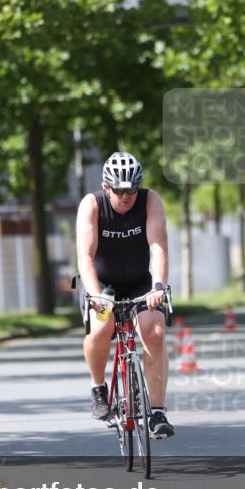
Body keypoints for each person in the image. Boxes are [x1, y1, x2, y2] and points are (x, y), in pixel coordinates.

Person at [75, 151, 175, 438]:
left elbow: (158, 246)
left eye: (131, 189)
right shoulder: (92, 205)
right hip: (102, 284)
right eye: (119, 190)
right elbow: (85, 256)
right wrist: (96, 295)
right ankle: (98, 387)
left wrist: (158, 286)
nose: (126, 196)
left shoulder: (150, 201)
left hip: (139, 283)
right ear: (107, 187)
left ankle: (156, 412)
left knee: (154, 332)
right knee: (102, 325)